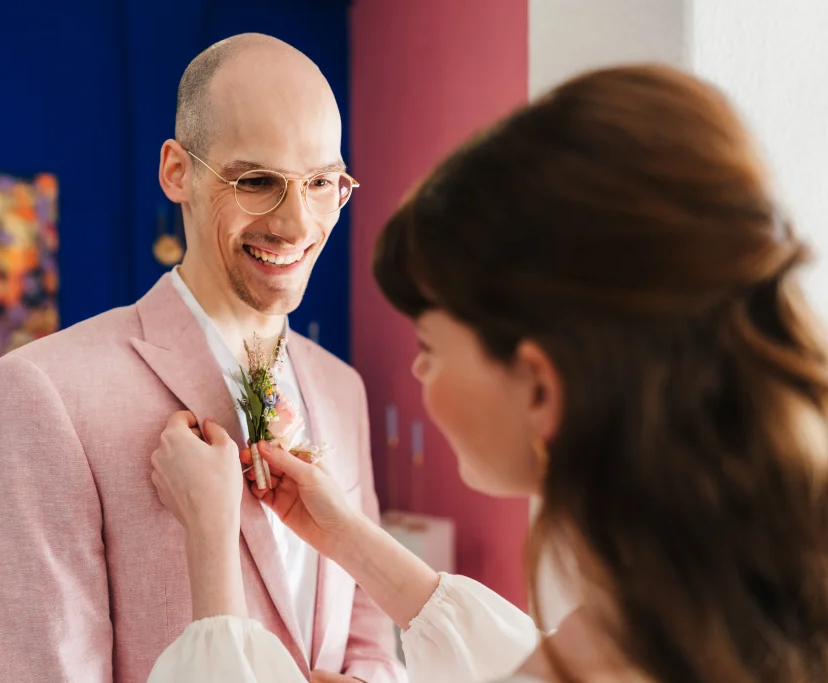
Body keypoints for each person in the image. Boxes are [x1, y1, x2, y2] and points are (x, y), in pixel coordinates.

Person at [147, 64, 828, 683]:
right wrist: (348, 536)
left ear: (537, 386)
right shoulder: (697, 610)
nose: (415, 367)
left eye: (431, 344)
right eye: (258, 180)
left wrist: (211, 552)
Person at [0, 33, 404, 683]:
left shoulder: (342, 388)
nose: (298, 223)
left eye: (322, 182)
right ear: (176, 172)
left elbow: (370, 634)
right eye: (257, 180)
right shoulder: (40, 391)